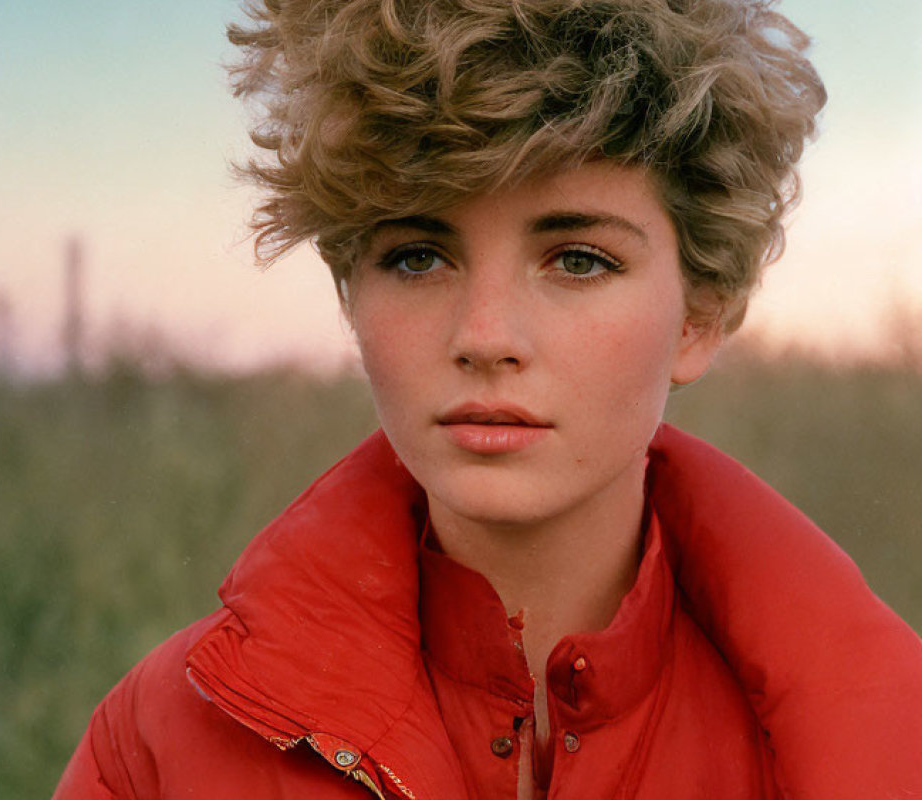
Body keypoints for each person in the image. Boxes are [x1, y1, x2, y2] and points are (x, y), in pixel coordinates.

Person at [52, 1, 922, 798]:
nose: (485, 333)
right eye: (417, 257)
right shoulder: (159, 746)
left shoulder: (887, 744)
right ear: (351, 298)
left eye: (579, 258)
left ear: (699, 314)